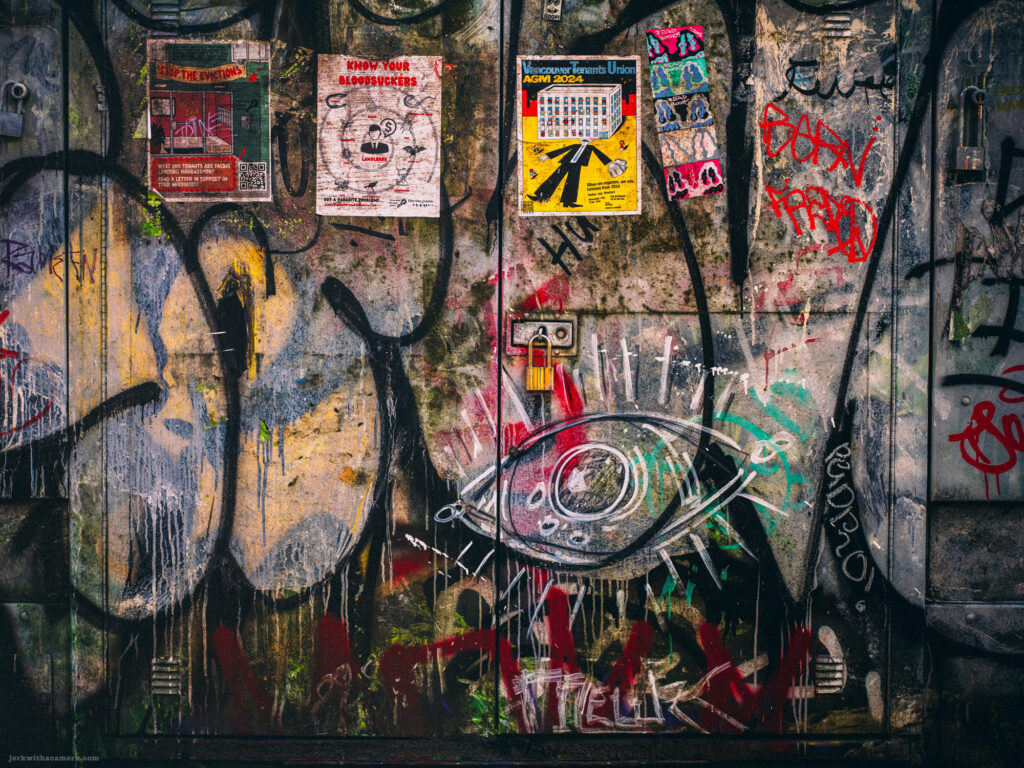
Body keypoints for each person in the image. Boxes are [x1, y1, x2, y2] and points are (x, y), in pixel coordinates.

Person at [528, 140, 625, 208]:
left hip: (577, 165)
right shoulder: (575, 145)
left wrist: (609, 163)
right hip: (566, 162)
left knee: (572, 183)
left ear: (591, 139)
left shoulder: (591, 147)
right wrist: (547, 156)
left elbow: (600, 154)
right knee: (554, 178)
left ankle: (568, 202)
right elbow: (562, 150)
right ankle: (539, 196)